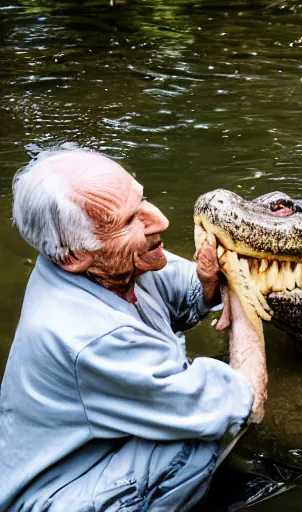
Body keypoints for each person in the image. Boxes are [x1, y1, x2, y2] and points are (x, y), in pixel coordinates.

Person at [0, 148, 267, 511]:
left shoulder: (111, 263)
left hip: (91, 456)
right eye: (130, 221)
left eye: (143, 199)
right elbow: (240, 404)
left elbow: (184, 287)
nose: (159, 220)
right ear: (75, 256)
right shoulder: (89, 336)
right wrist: (248, 303)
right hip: (56, 496)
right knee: (195, 438)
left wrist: (210, 281)